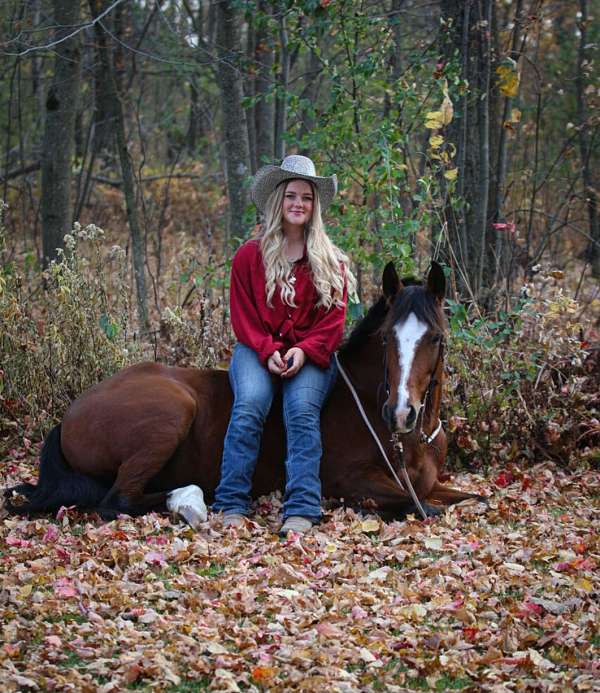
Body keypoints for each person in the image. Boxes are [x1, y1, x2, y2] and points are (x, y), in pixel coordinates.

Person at [213, 155, 354, 535]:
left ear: (314, 205)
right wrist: (267, 350)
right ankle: (231, 503)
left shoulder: (330, 262)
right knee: (249, 406)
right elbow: (242, 317)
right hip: (257, 349)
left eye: (307, 197)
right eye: (291, 195)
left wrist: (304, 350)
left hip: (311, 354)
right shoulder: (249, 256)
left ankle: (302, 509)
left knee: (301, 410)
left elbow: (333, 322)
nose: (299, 203)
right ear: (278, 200)